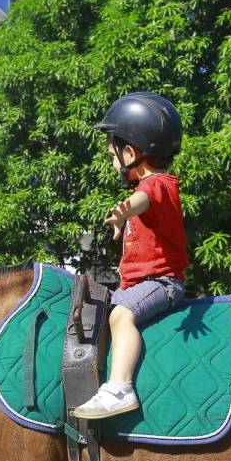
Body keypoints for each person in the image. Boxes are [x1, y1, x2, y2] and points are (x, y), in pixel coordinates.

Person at [71, 92, 188, 419]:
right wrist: (125, 226)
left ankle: (120, 388)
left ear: (130, 152)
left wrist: (126, 210)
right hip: (139, 283)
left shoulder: (157, 185)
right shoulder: (147, 191)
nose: (113, 164)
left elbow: (144, 199)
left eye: (113, 155)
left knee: (121, 315)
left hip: (162, 283)